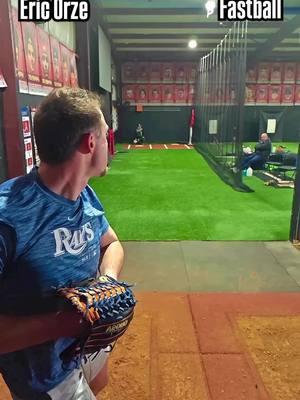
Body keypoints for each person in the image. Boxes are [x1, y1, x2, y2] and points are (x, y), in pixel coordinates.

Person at [0, 87, 124, 399]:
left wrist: (106, 282)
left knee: (99, 381)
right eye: (106, 136)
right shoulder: (8, 218)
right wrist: (65, 323)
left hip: (86, 345)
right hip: (46, 378)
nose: (109, 146)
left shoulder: (84, 193)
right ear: (90, 142)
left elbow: (111, 244)